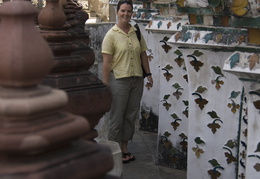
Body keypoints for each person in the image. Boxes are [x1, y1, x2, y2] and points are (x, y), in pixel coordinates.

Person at [101, 0, 153, 164]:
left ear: (132, 13)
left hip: (136, 80)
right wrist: (105, 85)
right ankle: (113, 150)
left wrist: (149, 74)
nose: (126, 14)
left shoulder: (136, 32)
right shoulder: (111, 35)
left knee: (130, 116)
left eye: (129, 11)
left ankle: (124, 148)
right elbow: (107, 63)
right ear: (117, 12)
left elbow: (143, 54)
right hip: (119, 81)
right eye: (123, 11)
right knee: (117, 117)